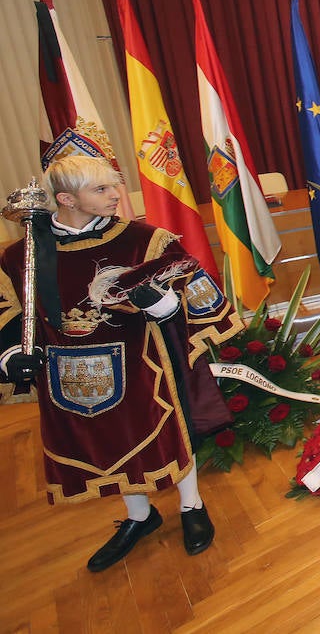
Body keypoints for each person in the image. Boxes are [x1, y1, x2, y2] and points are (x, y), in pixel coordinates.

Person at [0, 155, 235, 572]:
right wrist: (9, 354)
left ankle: (191, 505)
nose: (116, 196)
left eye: (115, 186)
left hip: (142, 365)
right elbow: (11, 314)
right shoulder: (22, 256)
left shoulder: (146, 241)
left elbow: (197, 298)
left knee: (166, 433)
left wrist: (161, 304)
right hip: (67, 376)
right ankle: (139, 517)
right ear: (66, 199)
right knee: (108, 442)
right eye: (102, 190)